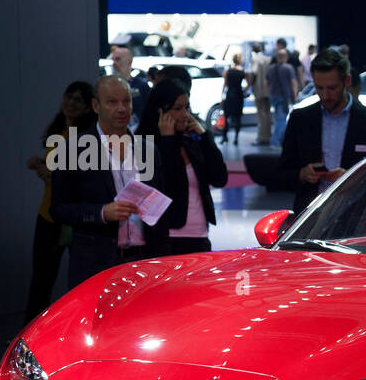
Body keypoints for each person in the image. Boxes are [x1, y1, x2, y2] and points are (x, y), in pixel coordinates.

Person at [51, 75, 165, 288]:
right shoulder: (73, 149)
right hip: (97, 263)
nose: (122, 109)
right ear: (96, 105)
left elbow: (160, 205)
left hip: (144, 262)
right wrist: (102, 213)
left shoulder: (148, 149)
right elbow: (58, 209)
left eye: (126, 101)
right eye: (112, 102)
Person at [276, 48, 366, 215]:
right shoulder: (300, 119)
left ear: (347, 81)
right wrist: (302, 174)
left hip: (359, 217)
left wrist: (353, 179)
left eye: (332, 88)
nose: (325, 95)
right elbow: (282, 173)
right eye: (319, 88)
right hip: (309, 218)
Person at [24, 81, 95, 320]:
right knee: (41, 277)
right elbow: (59, 171)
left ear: (88, 107)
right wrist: (42, 166)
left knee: (77, 280)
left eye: (78, 100)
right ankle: (29, 331)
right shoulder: (60, 130)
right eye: (69, 97)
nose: (71, 103)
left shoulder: (85, 138)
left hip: (68, 217)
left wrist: (51, 176)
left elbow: (78, 181)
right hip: (48, 213)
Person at [138, 79, 228, 255]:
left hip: (200, 235)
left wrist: (205, 138)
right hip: (166, 237)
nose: (185, 114)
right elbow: (168, 187)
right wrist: (168, 141)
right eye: (177, 108)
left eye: (187, 108)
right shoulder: (145, 144)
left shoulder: (192, 141)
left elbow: (220, 178)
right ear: (160, 111)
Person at [108, 41, 150, 130]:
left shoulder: (142, 86)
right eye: (113, 59)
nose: (114, 63)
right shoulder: (106, 87)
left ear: (129, 62)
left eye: (118, 59)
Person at [268, 48, 298, 148]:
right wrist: (295, 96)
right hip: (284, 97)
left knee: (278, 119)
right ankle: (275, 142)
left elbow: (267, 83)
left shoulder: (270, 68)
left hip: (273, 96)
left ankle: (279, 141)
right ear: (286, 57)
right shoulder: (288, 68)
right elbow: (293, 84)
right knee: (281, 120)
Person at [220, 52, 247, 144]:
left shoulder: (228, 71)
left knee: (226, 115)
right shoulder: (243, 71)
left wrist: (222, 97)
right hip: (238, 94)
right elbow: (249, 82)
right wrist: (244, 90)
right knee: (238, 117)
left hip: (230, 94)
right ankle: (236, 138)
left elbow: (225, 84)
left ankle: (224, 136)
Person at [250, 41, 272, 145]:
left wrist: (249, 85)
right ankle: (268, 136)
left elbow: (254, 73)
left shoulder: (255, 59)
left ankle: (262, 138)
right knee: (267, 113)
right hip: (268, 89)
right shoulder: (268, 59)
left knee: (261, 114)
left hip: (259, 89)